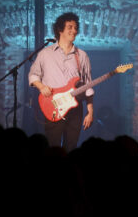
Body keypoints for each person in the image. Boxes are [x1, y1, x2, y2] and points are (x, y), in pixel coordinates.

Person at [29, 12, 94, 151]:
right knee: (53, 148)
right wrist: (41, 86)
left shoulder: (81, 55)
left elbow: (88, 86)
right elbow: (33, 75)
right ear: (60, 30)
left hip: (75, 107)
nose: (74, 31)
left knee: (71, 147)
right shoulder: (46, 53)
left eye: (76, 27)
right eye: (70, 27)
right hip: (53, 106)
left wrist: (90, 111)